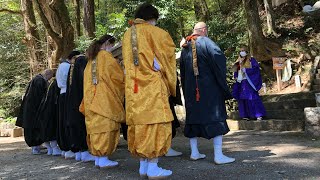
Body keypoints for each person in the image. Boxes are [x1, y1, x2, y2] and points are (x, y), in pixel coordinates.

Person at [122, 3, 177, 179]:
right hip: (152, 87)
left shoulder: (127, 34)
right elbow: (168, 56)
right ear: (152, 18)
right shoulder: (156, 32)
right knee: (155, 123)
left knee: (139, 124)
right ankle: (153, 167)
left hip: (133, 88)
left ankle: (143, 166)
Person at [180, 22, 235, 164]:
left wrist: (186, 89)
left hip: (191, 90)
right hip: (209, 88)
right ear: (204, 30)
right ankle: (218, 155)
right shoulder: (205, 41)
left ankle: (194, 152)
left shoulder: (185, 46)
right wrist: (219, 77)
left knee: (193, 117)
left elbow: (183, 71)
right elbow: (218, 57)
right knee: (215, 116)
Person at [80, 34, 125, 168]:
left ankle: (98, 158)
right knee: (106, 127)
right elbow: (117, 77)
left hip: (90, 100)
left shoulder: (91, 59)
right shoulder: (105, 56)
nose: (112, 48)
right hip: (104, 99)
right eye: (112, 45)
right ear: (107, 44)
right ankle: (104, 157)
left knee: (95, 128)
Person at [65, 54, 95, 162]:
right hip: (79, 100)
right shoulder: (81, 63)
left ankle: (78, 153)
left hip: (71, 101)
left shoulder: (71, 70)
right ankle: (84, 152)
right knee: (81, 124)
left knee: (74, 125)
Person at [16, 69, 53, 155]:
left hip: (30, 109)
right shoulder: (40, 81)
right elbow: (41, 97)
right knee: (34, 128)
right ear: (47, 75)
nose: (48, 80)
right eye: (49, 78)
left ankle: (36, 146)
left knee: (31, 128)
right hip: (34, 110)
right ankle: (35, 147)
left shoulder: (36, 79)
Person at [56, 50, 81, 159]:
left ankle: (65, 148)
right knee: (69, 120)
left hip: (62, 93)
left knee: (63, 120)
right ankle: (72, 147)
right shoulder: (68, 67)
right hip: (67, 93)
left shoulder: (61, 66)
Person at [231, 47, 266, 121]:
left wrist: (246, 70)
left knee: (253, 97)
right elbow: (235, 71)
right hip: (241, 82)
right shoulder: (238, 61)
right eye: (241, 51)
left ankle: (258, 114)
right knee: (243, 99)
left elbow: (256, 69)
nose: (242, 52)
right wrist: (236, 76)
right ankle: (245, 115)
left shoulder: (251, 60)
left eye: (243, 51)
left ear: (247, 52)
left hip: (249, 81)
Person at [37, 75, 62, 156]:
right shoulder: (54, 84)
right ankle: (54, 149)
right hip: (49, 111)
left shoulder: (50, 84)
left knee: (45, 130)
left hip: (43, 110)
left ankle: (50, 149)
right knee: (50, 129)